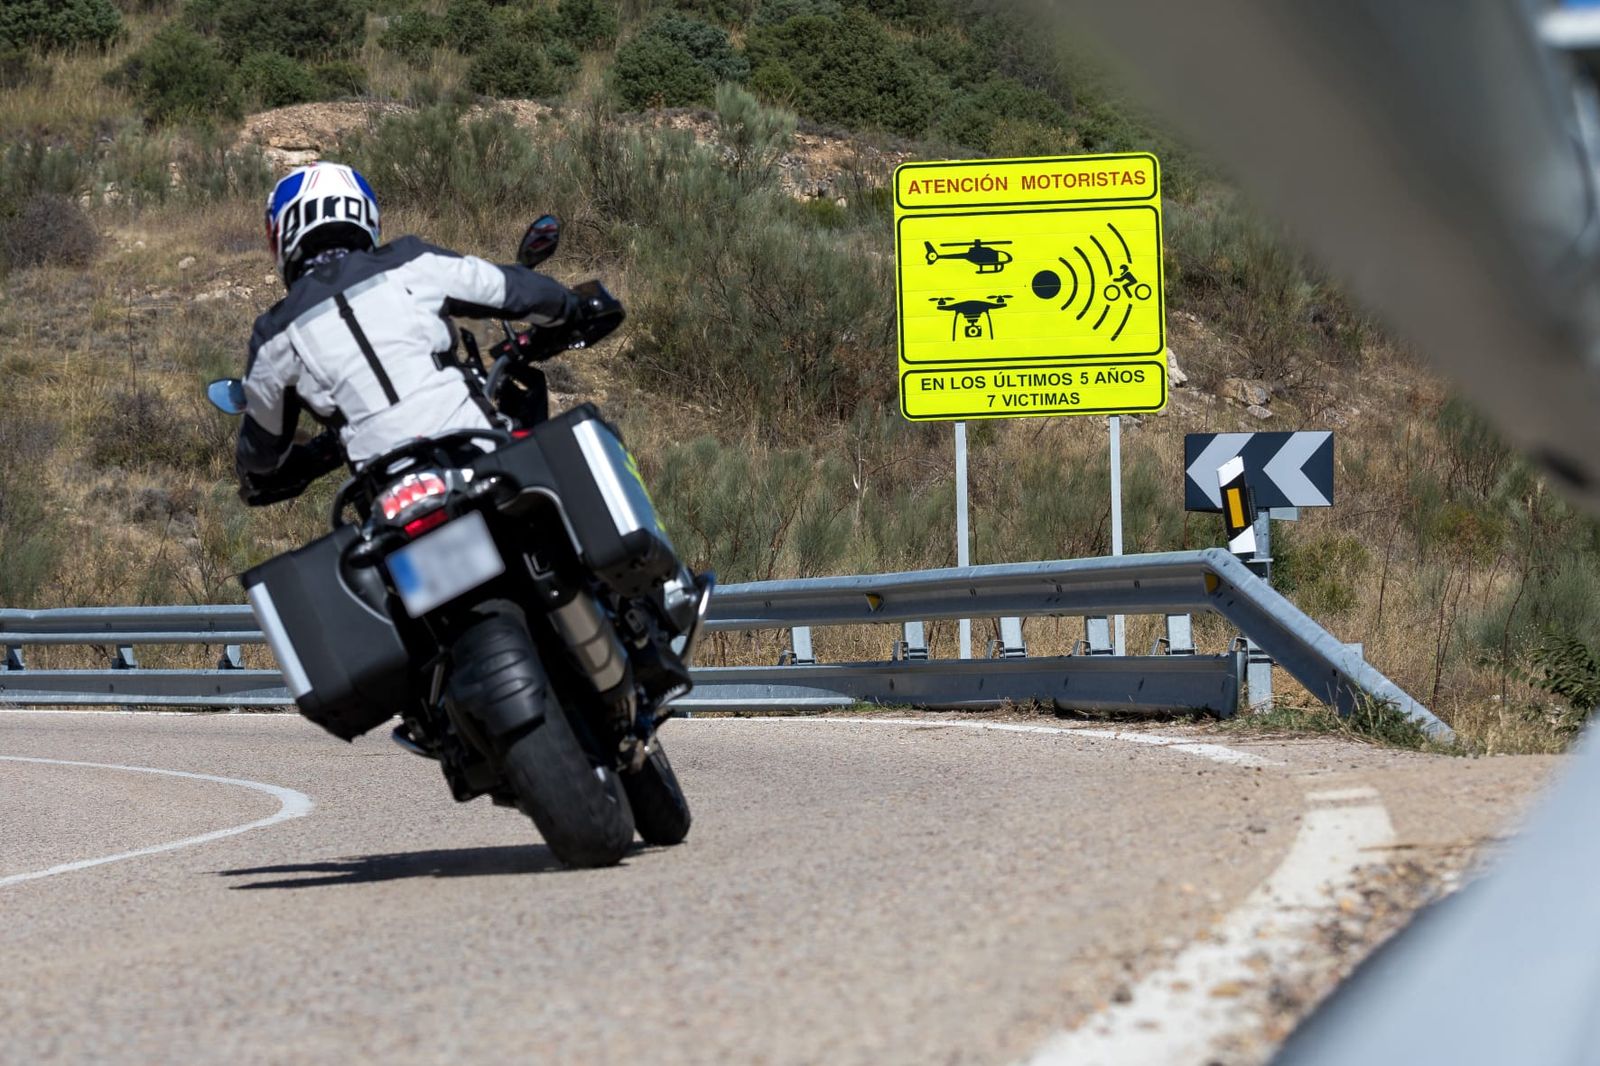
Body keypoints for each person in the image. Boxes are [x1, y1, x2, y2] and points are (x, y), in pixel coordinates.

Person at [236, 161, 584, 498]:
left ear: (281, 234)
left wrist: (292, 462)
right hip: (474, 450)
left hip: (389, 495)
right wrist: (571, 306)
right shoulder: (411, 263)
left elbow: (260, 455)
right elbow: (513, 290)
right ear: (364, 215)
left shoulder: (274, 334)